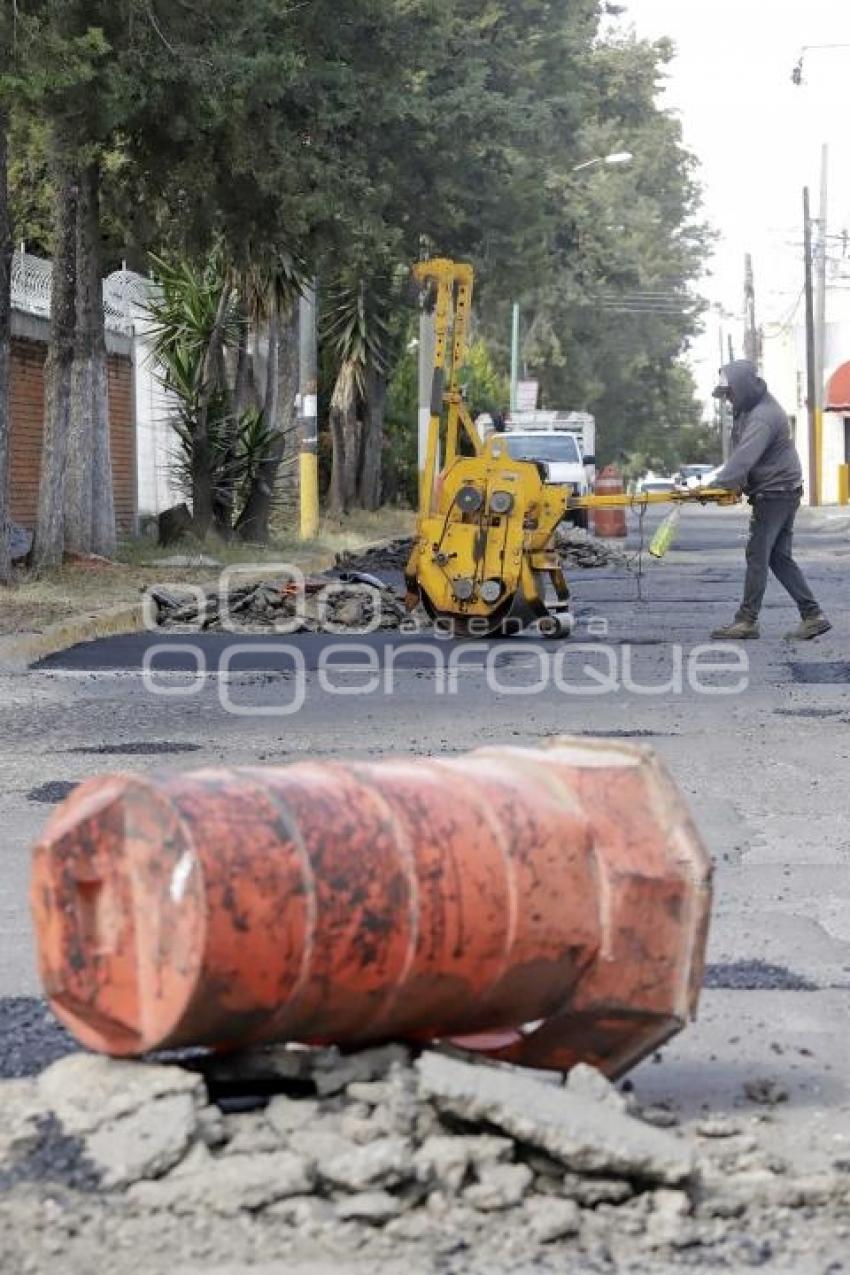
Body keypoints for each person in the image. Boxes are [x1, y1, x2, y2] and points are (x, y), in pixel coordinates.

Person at [708, 360, 831, 642]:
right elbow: (743, 460)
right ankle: (813, 615)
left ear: (744, 388)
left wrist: (719, 485)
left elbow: (744, 457)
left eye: (731, 393)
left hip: (775, 493)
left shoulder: (763, 416)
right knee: (779, 557)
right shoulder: (751, 411)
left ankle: (746, 621)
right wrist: (733, 483)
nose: (729, 399)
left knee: (757, 554)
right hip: (783, 490)